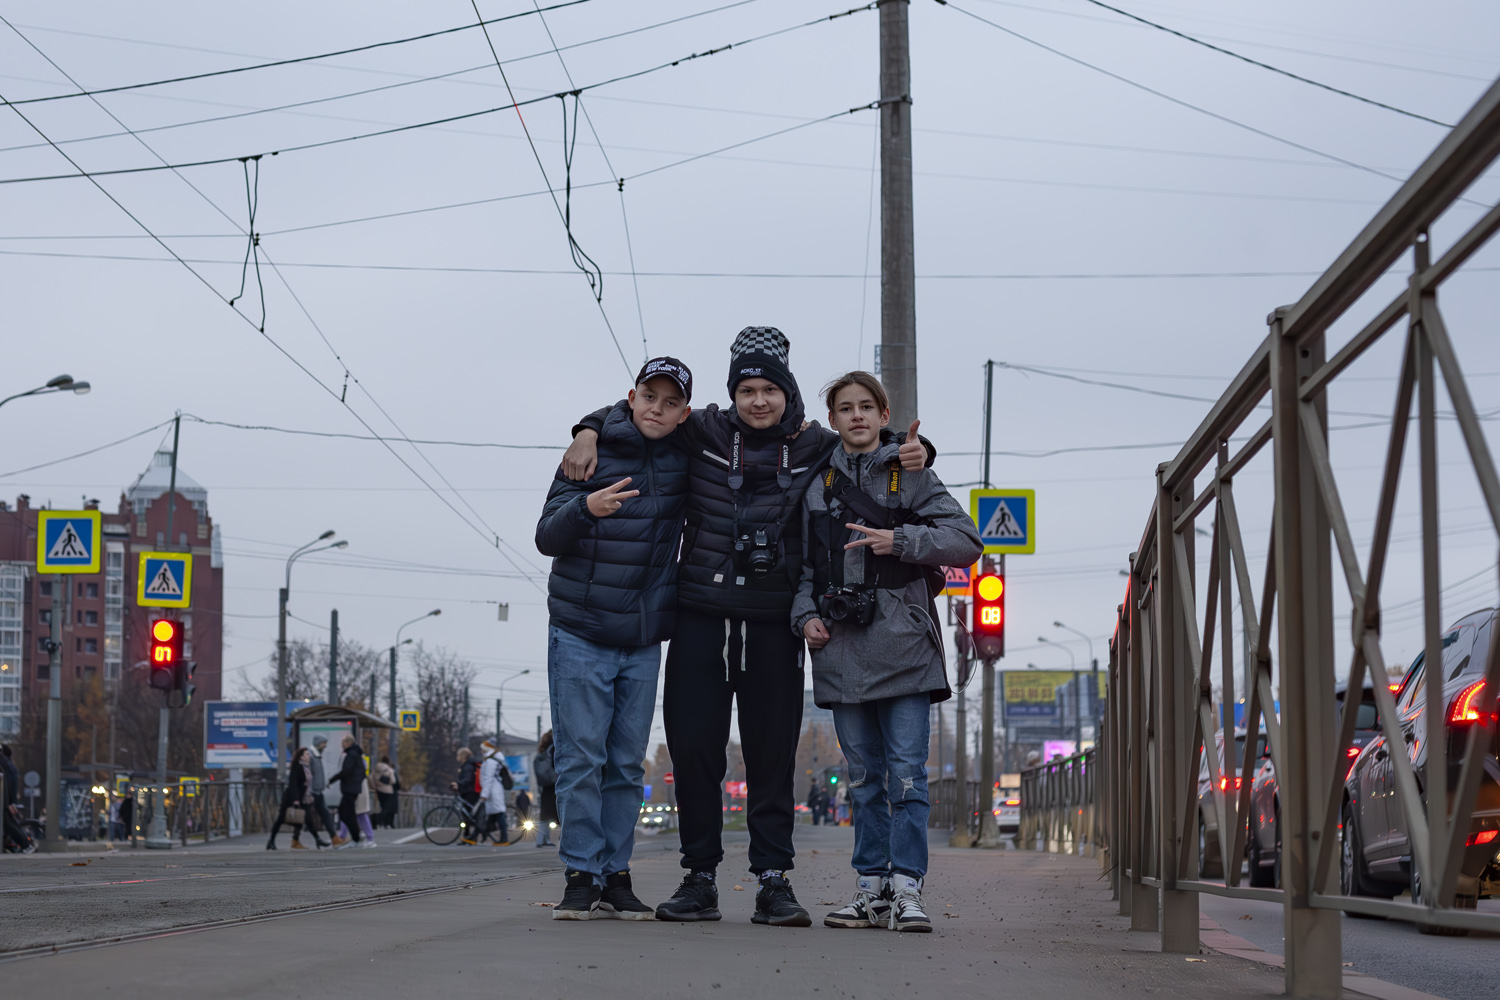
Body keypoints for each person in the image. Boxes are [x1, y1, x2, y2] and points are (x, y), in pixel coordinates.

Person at [563, 329, 933, 927]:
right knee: (696, 752)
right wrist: (585, 428)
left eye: (768, 389)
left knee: (770, 756)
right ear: (731, 392)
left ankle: (773, 881)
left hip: (772, 623)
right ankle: (699, 877)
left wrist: (917, 448)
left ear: (786, 392)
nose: (757, 400)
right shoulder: (701, 430)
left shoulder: (815, 444)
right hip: (700, 617)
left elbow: (868, 438)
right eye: (745, 389)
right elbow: (640, 413)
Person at [792, 371, 982, 933]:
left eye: (866, 407)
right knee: (864, 779)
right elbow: (803, 568)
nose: (855, 416)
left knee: (906, 777)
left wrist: (900, 541)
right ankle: (870, 889)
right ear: (832, 420)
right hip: (842, 651)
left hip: (905, 650)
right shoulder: (816, 485)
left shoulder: (913, 472)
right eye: (845, 408)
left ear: (882, 415)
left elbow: (967, 541)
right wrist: (805, 617)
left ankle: (908, 890)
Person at [537, 357, 695, 921]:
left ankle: (616, 877)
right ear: (631, 397)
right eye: (649, 396)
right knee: (581, 761)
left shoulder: (686, 454)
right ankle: (581, 875)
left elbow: (757, 422)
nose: (658, 408)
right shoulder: (591, 452)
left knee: (626, 765)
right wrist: (585, 506)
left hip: (643, 636)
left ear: (685, 413)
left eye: (670, 402)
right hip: (579, 629)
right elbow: (545, 536)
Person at [267, 747, 325, 850]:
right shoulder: (297, 767)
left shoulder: (306, 767)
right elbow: (293, 784)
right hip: (291, 798)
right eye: (307, 754)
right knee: (280, 820)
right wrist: (295, 799)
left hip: (303, 798)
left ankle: (314, 839)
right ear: (301, 757)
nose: (309, 756)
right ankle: (271, 841)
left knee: (306, 819)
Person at [330, 734, 366, 848]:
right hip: (352, 788)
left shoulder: (351, 754)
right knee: (347, 813)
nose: (342, 744)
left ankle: (356, 838)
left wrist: (332, 779)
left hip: (350, 789)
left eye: (344, 742)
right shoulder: (356, 754)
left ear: (349, 742)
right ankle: (356, 837)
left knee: (345, 813)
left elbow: (346, 771)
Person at [308, 734, 345, 847]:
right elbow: (308, 775)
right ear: (319, 743)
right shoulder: (311, 755)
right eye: (324, 743)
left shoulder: (316, 755)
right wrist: (309, 791)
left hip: (317, 791)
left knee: (324, 814)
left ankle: (333, 837)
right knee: (307, 817)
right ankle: (332, 837)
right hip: (312, 792)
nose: (325, 746)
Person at [1, 743, 34, 853]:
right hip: (6, 800)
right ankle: (12, 844)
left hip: (4, 801)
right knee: (9, 823)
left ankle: (25, 844)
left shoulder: (4, 765)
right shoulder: (8, 764)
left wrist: (10, 802)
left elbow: (7, 784)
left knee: (8, 823)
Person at [478, 739, 512, 846]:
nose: (481, 751)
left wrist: (484, 794)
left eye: (482, 749)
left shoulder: (490, 761)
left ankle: (504, 838)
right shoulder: (493, 759)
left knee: (498, 814)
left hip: (493, 791)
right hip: (494, 790)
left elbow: (488, 778)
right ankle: (477, 837)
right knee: (494, 815)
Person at [450, 747, 482, 844]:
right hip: (470, 792)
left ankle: (469, 836)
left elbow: (468, 779)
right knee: (467, 816)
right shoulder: (469, 765)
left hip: (470, 793)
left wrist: (458, 784)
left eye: (458, 755)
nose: (457, 757)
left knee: (468, 816)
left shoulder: (468, 766)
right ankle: (468, 836)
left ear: (463, 756)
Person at [534, 732, 557, 848]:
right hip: (554, 784)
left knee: (545, 814)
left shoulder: (543, 751)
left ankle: (541, 840)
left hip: (545, 786)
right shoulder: (554, 749)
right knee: (556, 813)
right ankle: (544, 840)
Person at [373, 755, 397, 830]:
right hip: (388, 791)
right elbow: (393, 781)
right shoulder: (389, 770)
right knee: (386, 808)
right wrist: (387, 782)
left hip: (379, 789)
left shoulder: (377, 768)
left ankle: (378, 823)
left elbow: (372, 777)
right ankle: (380, 822)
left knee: (381, 806)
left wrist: (376, 785)